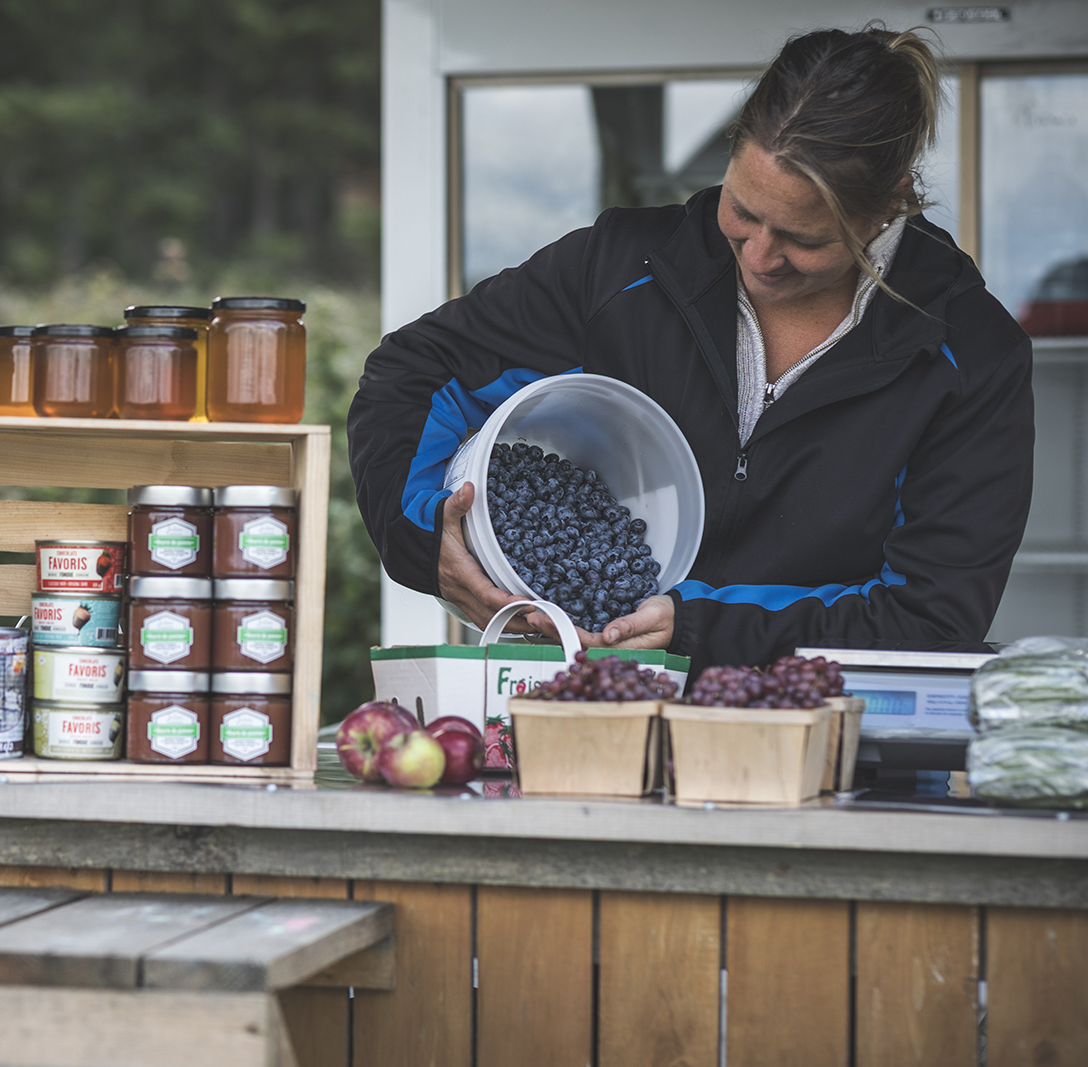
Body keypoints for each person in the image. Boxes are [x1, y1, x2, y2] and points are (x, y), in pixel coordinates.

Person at [347, 26, 1034, 672]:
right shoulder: (620, 270)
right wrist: (422, 537)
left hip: (838, 757)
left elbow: (932, 619)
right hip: (600, 730)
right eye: (742, 212)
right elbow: (413, 371)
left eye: (805, 239)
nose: (761, 259)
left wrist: (701, 627)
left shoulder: (968, 355)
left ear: (892, 203)